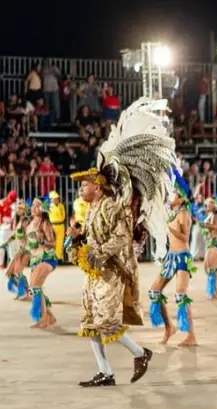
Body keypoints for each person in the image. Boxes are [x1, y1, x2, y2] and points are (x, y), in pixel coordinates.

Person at [66, 97, 176, 387]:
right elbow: (92, 239)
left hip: (111, 270)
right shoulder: (91, 210)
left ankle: (140, 353)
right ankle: (106, 372)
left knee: (106, 322)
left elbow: (121, 238)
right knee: (90, 323)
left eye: (85, 184)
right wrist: (78, 240)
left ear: (98, 186)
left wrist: (97, 252)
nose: (81, 188)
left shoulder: (114, 207)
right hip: (95, 271)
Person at [147, 176, 198, 347]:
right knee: (155, 291)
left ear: (182, 198)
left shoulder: (183, 214)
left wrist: (169, 228)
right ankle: (169, 327)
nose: (171, 196)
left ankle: (192, 336)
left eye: (174, 194)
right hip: (170, 257)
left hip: (182, 256)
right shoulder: (172, 213)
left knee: (180, 295)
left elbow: (185, 237)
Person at [25, 198, 58, 328]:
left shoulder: (44, 223)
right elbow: (28, 244)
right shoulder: (30, 224)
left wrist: (41, 242)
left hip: (47, 258)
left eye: (37, 205)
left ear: (42, 209)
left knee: (35, 287)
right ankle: (49, 316)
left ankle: (43, 318)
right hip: (35, 259)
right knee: (34, 289)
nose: (33, 207)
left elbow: (53, 243)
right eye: (33, 205)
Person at [48, 191, 66, 262]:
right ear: (51, 199)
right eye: (54, 199)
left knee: (60, 241)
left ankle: (59, 257)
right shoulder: (49, 206)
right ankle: (52, 256)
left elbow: (63, 215)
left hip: (61, 225)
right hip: (53, 225)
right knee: (52, 241)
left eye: (57, 198)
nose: (56, 200)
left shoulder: (61, 205)